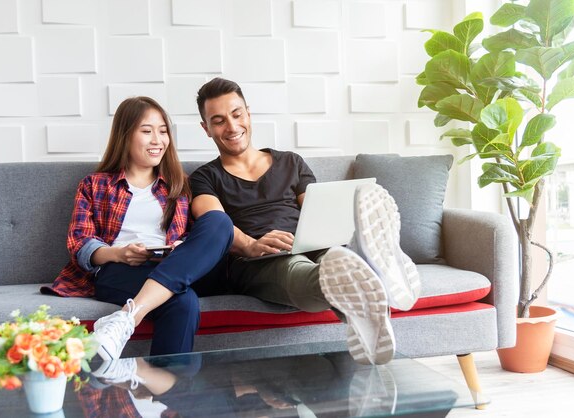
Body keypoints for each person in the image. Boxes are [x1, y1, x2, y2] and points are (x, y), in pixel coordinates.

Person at [189, 78, 421, 365]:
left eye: (237, 114)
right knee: (295, 268)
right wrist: (251, 245)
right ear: (206, 128)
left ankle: (363, 269)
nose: (232, 126)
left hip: (312, 246)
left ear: (248, 113)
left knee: (332, 256)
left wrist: (330, 235)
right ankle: (372, 275)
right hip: (258, 262)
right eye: (219, 120)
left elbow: (317, 211)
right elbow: (214, 222)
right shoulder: (203, 178)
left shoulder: (291, 162)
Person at [42, 96, 234, 362]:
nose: (158, 140)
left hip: (172, 266)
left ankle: (126, 318)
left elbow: (197, 236)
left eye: (163, 131)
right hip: (119, 271)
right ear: (125, 135)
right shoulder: (94, 185)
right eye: (147, 131)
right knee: (183, 300)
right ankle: (166, 398)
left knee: (220, 222)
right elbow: (80, 243)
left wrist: (182, 246)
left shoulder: (180, 186)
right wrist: (118, 254)